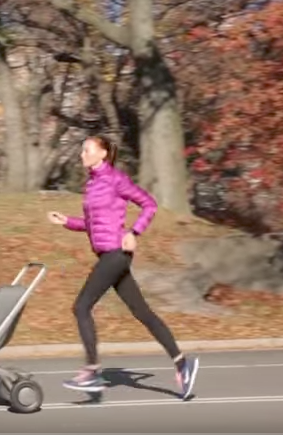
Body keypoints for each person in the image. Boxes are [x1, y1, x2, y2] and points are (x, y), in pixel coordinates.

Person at [47, 134, 199, 400]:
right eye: (82, 150)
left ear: (102, 154)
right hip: (108, 255)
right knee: (142, 312)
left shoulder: (116, 179)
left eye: (86, 150)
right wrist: (67, 221)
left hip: (117, 254)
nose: (81, 154)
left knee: (81, 306)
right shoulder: (92, 184)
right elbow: (92, 223)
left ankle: (92, 371)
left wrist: (134, 232)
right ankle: (182, 363)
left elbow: (149, 204)